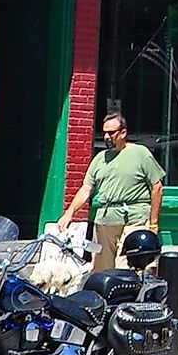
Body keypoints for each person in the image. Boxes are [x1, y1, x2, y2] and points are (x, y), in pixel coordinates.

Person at [58, 114, 164, 266]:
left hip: (135, 218)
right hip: (105, 221)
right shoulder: (100, 158)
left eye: (111, 133)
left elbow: (157, 188)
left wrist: (153, 223)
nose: (106, 137)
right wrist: (69, 213)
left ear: (123, 133)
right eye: (104, 133)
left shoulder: (140, 154)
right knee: (101, 269)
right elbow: (86, 189)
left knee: (126, 266)